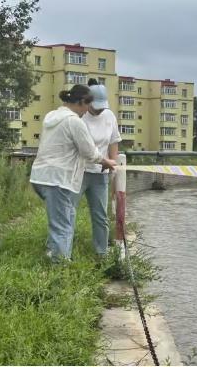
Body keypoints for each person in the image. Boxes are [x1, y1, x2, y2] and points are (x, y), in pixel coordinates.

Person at [30, 84, 117, 261]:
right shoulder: (74, 121)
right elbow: (89, 152)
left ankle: (55, 255)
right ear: (82, 102)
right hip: (59, 178)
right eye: (87, 106)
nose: (86, 111)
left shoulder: (51, 115)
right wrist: (106, 161)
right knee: (63, 225)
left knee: (63, 218)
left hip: (40, 176)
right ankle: (60, 267)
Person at [73, 78, 122, 257]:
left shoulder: (109, 116)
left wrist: (112, 166)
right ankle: (60, 252)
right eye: (95, 106)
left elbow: (114, 142)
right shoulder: (79, 116)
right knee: (69, 211)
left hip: (100, 174)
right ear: (87, 102)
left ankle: (101, 254)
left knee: (100, 216)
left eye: (102, 106)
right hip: (78, 171)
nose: (99, 109)